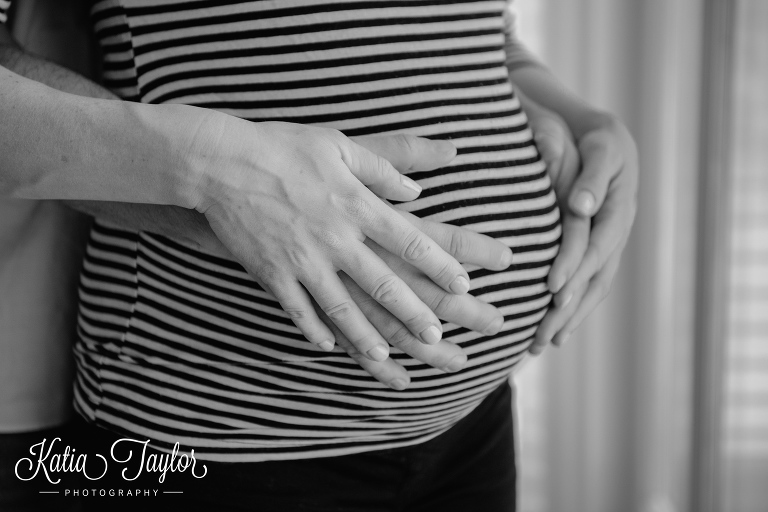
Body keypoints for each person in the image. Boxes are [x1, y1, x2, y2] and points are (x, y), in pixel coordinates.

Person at [0, 0, 638, 511]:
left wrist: (570, 112)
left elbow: (472, 31)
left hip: (470, 425)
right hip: (210, 426)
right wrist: (211, 171)